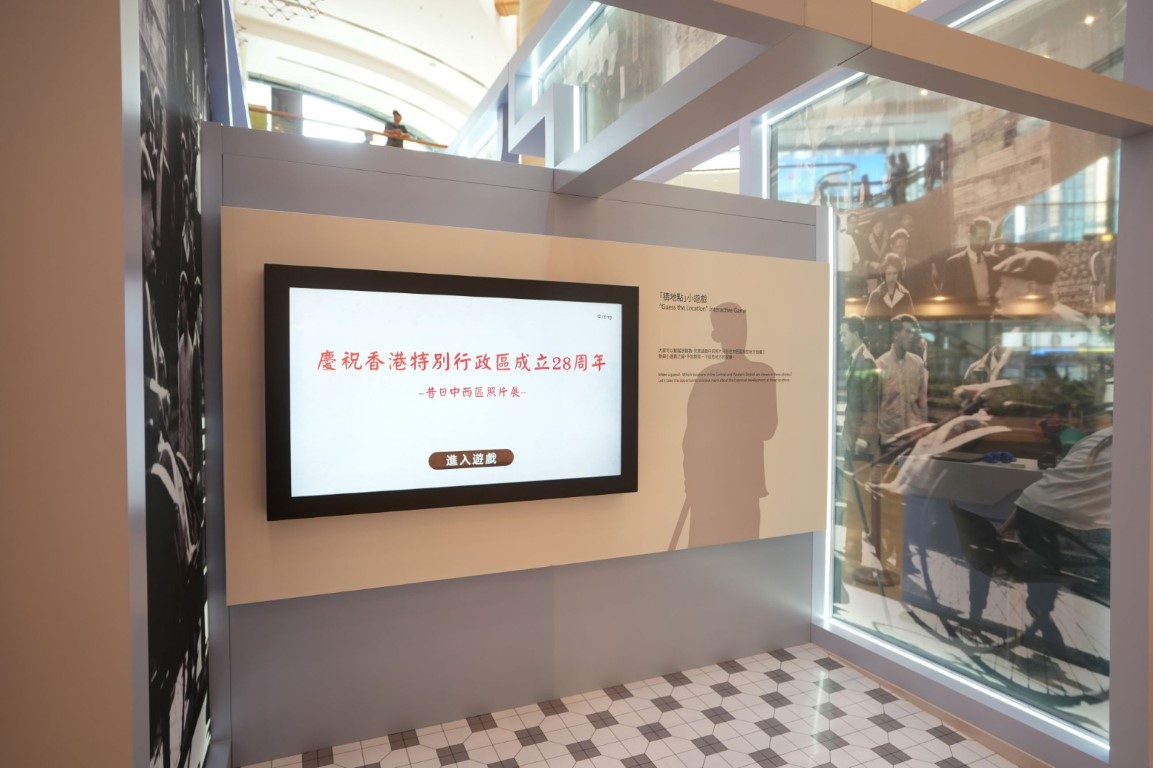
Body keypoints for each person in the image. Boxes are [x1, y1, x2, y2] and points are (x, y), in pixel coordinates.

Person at [679, 303, 778, 548]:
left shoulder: (761, 373)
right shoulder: (709, 376)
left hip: (738, 487)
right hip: (712, 486)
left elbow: (768, 427)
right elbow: (692, 438)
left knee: (733, 554)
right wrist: (692, 480)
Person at [838, 316, 880, 577]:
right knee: (852, 500)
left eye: (844, 334)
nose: (841, 339)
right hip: (852, 440)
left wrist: (863, 439)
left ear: (855, 334)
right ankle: (852, 554)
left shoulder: (866, 361)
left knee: (859, 502)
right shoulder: (855, 359)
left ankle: (861, 559)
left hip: (860, 445)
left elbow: (871, 406)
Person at [875, 314, 928, 446]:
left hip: (914, 437)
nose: (911, 336)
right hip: (890, 438)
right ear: (895, 335)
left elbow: (922, 402)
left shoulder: (917, 363)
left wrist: (924, 430)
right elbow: (874, 405)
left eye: (913, 332)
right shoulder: (880, 365)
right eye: (907, 332)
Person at [942, 216, 999, 310]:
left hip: (991, 314)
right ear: (969, 237)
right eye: (979, 238)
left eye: (986, 238)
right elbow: (947, 299)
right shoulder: (953, 264)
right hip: (967, 316)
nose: (983, 243)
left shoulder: (994, 260)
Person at [864, 253, 915, 328]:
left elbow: (912, 321)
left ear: (899, 273)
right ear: (884, 274)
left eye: (895, 273)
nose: (892, 277)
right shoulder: (876, 295)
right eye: (888, 273)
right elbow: (868, 322)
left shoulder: (905, 294)